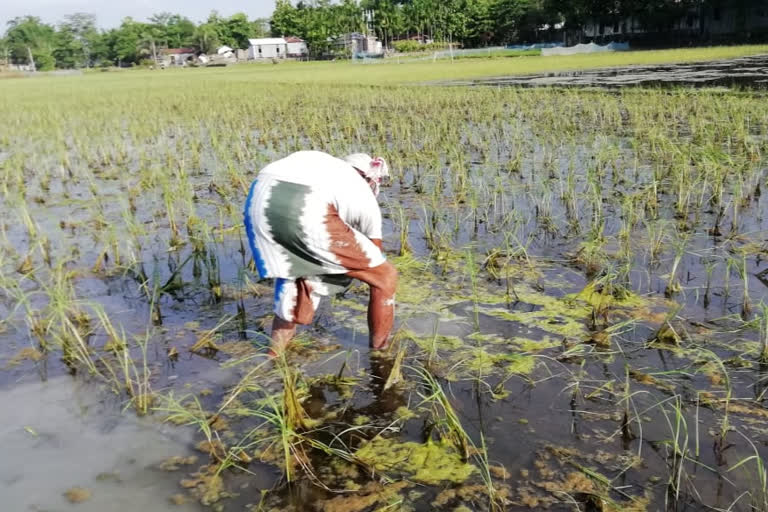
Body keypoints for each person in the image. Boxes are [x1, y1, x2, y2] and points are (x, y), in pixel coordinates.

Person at [243, 151, 398, 355]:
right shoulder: (361, 190)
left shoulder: (324, 166)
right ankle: (380, 352)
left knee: (297, 275)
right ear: (369, 180)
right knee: (385, 277)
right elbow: (373, 256)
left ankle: (274, 356)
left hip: (257, 201)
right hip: (306, 207)